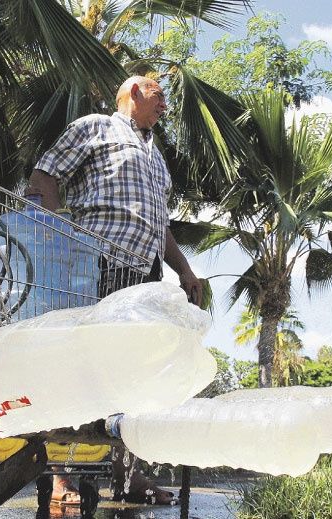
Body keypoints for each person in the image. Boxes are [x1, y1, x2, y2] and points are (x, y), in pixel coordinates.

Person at [26, 76, 204, 506]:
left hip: (143, 276)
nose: (166, 105)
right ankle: (63, 476)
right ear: (137, 92)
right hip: (94, 265)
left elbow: (160, 227)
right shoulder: (95, 128)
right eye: (161, 96)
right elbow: (45, 177)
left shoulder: (156, 159)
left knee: (133, 375)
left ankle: (128, 478)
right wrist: (44, 235)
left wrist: (185, 270)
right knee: (76, 366)